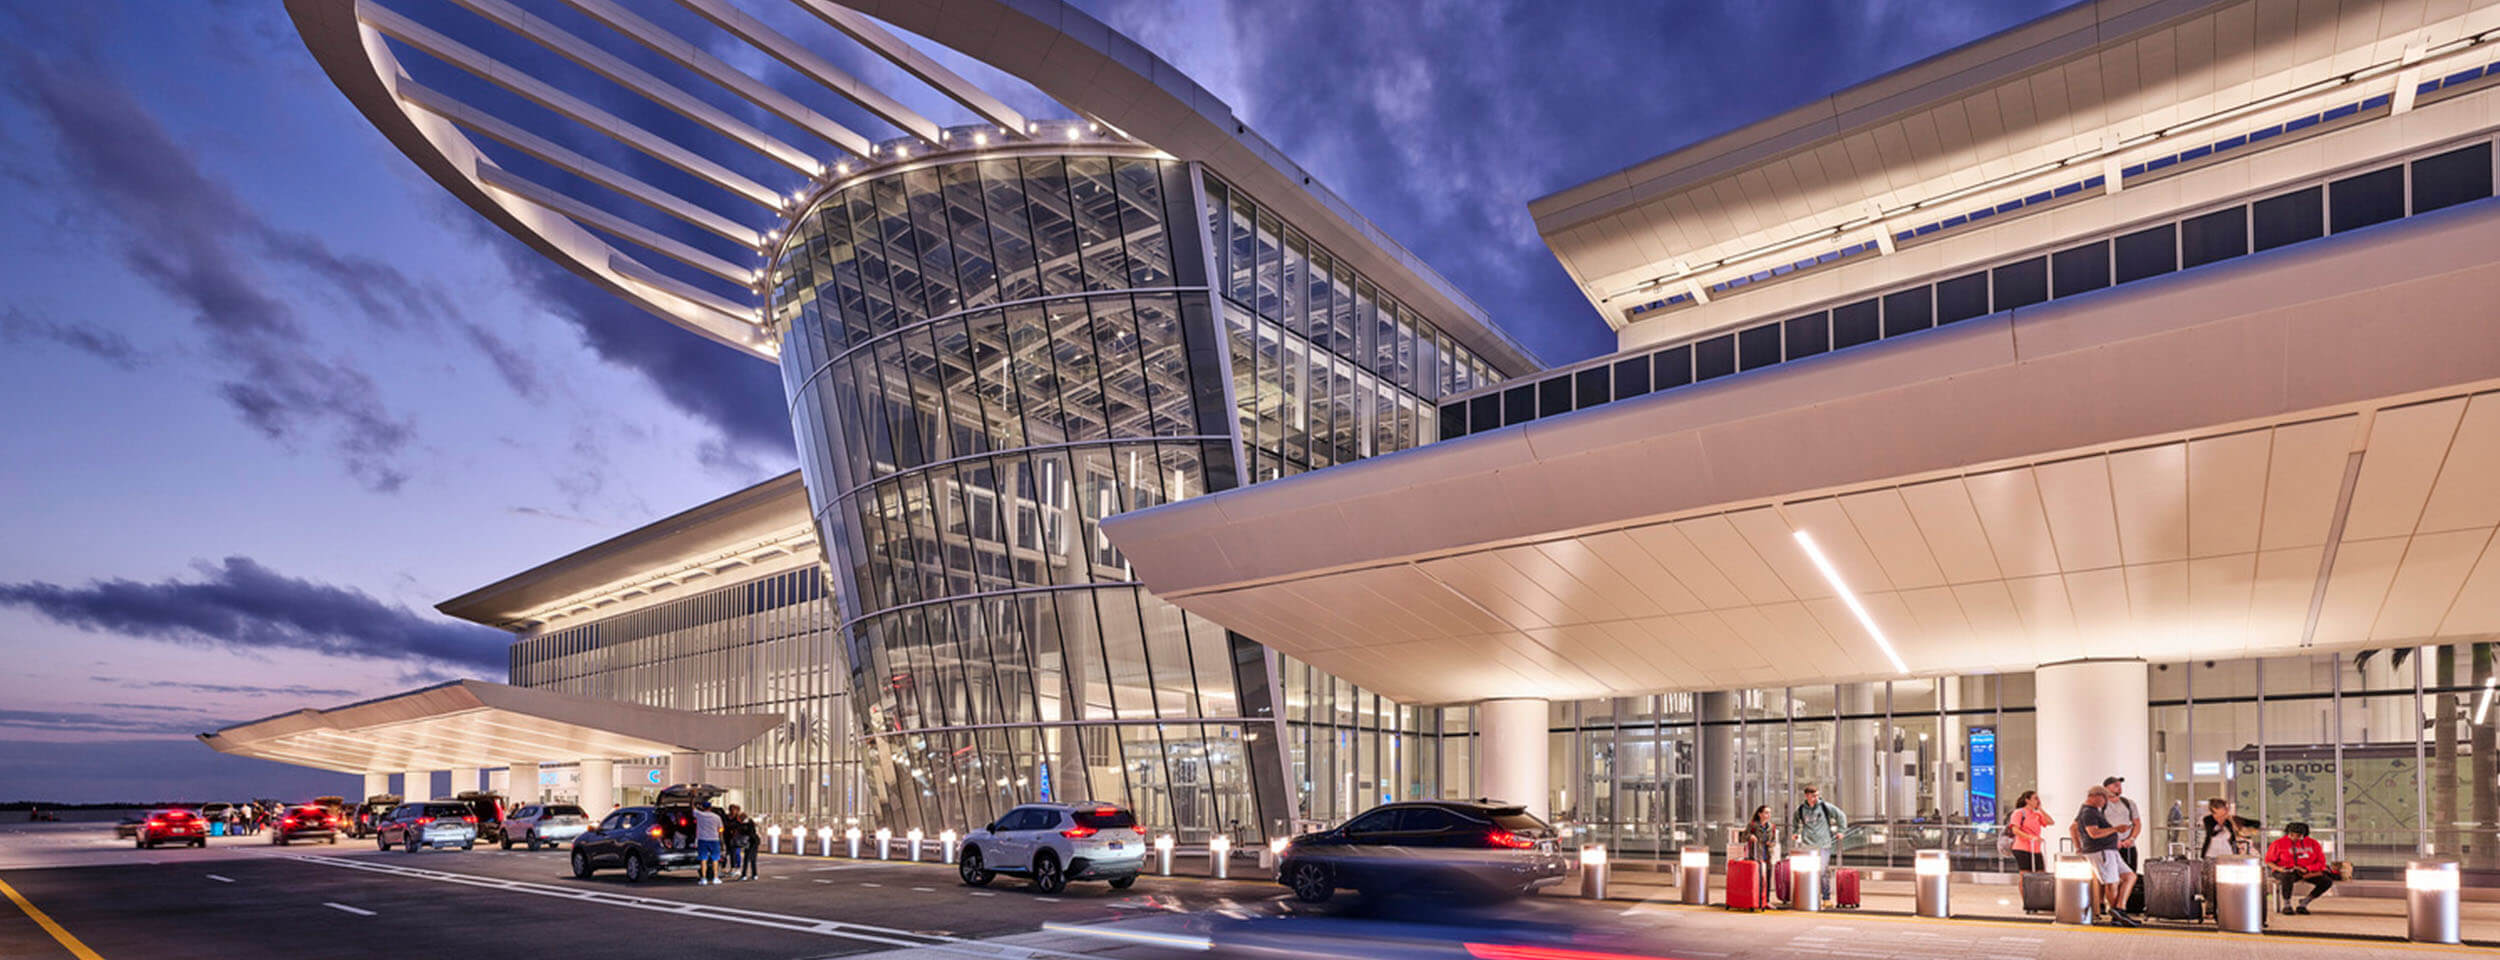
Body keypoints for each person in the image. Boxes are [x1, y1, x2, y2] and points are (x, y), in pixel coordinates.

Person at [2074, 784, 2140, 926]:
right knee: (2112, 882)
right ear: (2095, 796)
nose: (2105, 802)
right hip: (2101, 851)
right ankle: (2118, 915)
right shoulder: (2088, 812)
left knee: (2130, 876)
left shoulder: (2093, 811)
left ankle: (2119, 909)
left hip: (2109, 850)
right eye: (2104, 799)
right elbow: (2094, 833)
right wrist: (2115, 829)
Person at [1789, 786, 1847, 904]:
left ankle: (1826, 898)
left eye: (1817, 795)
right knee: (1807, 872)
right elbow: (1795, 822)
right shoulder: (1800, 809)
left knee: (1822, 871)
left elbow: (1841, 816)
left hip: (1823, 844)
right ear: (1807, 796)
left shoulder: (1825, 807)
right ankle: (1808, 896)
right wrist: (1795, 832)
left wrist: (1841, 831)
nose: (1816, 798)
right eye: (1813, 796)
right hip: (1807, 845)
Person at [2265, 822, 2335, 914]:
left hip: (2306, 871)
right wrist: (2280, 869)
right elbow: (2269, 861)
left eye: (2298, 835)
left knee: (2327, 882)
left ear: (2304, 835)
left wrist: (2307, 869)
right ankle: (2287, 905)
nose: (2294, 837)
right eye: (2291, 834)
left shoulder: (2313, 844)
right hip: (2285, 870)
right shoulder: (2278, 844)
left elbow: (2321, 862)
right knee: (2287, 876)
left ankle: (2304, 902)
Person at [2101, 776, 2141, 873]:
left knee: (2130, 875)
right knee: (2112, 877)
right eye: (2115, 785)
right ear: (2106, 788)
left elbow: (2137, 823)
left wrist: (2131, 839)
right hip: (2109, 847)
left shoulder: (2129, 803)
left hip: (2128, 847)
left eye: (2120, 785)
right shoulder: (2101, 805)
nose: (2119, 787)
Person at [2006, 790, 2053, 872]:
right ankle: (2022, 885)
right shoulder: (2019, 812)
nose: (2038, 801)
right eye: (2035, 798)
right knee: (2025, 874)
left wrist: (2040, 809)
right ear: (2027, 800)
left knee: (2041, 872)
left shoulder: (2036, 814)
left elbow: (2050, 822)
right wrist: (2030, 837)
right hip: (2022, 848)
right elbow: (2015, 830)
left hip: (2036, 848)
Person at [1740, 805, 1777, 904]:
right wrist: (1750, 836)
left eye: (1769, 813)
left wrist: (1771, 843)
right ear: (1760, 814)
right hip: (1755, 856)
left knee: (1767, 879)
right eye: (1766, 812)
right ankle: (1756, 900)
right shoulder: (1752, 825)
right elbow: (1743, 837)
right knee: (1757, 879)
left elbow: (1773, 840)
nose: (1768, 815)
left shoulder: (1771, 826)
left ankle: (1766, 901)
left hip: (1767, 856)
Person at [692, 802, 725, 886]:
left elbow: (692, 808)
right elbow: (720, 829)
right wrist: (722, 842)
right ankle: (715, 877)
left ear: (703, 807)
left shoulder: (699, 815)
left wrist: (693, 797)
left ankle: (703, 878)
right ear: (711, 808)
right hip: (714, 839)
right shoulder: (717, 817)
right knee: (715, 859)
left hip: (702, 839)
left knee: (703, 860)